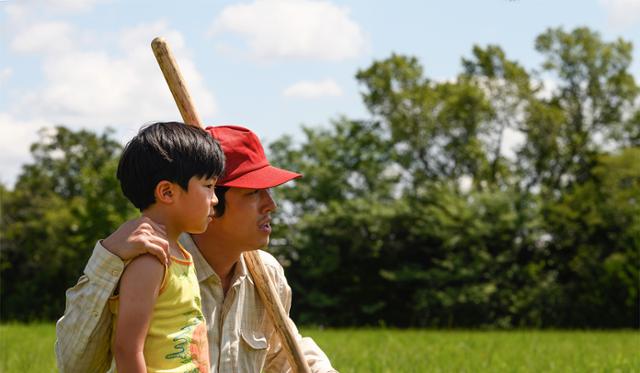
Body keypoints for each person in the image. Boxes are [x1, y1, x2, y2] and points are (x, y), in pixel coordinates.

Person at [55, 125, 338, 373]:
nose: (271, 205)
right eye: (252, 192)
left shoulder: (267, 273)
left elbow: (284, 354)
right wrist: (107, 258)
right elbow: (77, 366)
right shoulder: (149, 261)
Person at [109, 122, 224, 372]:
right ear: (167, 192)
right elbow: (128, 349)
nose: (215, 199)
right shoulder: (150, 261)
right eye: (208, 186)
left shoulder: (181, 255)